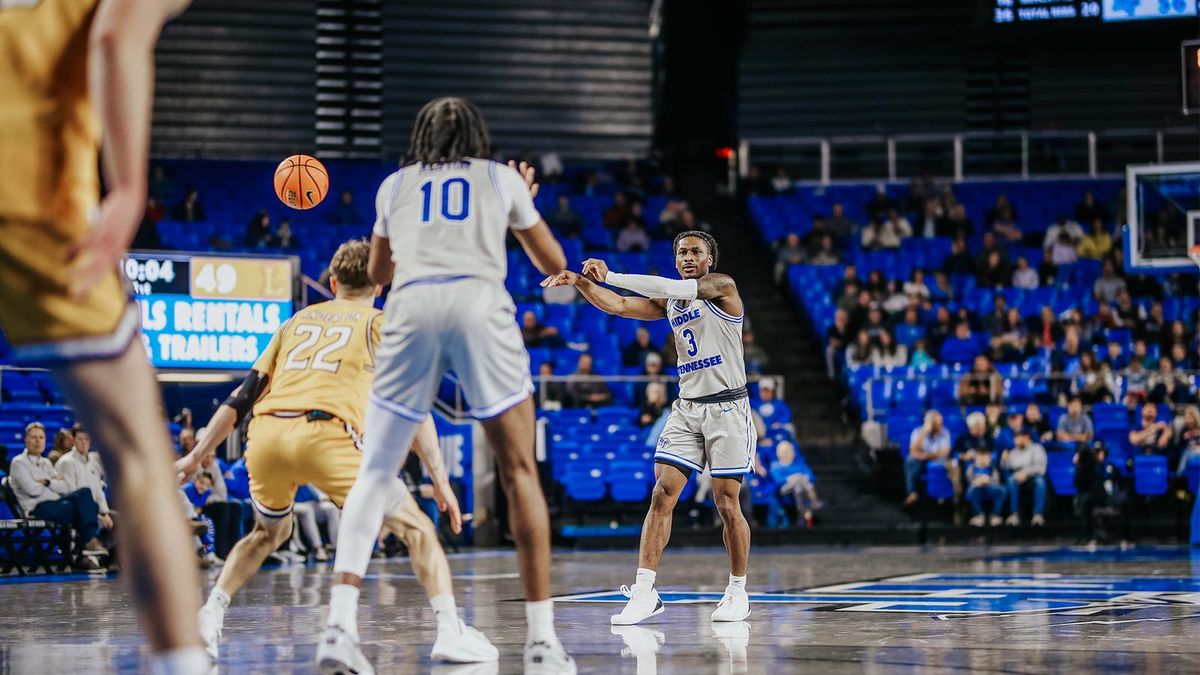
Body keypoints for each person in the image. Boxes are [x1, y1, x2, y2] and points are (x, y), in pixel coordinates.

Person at [323, 97, 573, 674]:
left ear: (420, 137)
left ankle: (338, 626)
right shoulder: (501, 178)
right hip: (479, 301)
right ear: (478, 135)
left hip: (413, 304)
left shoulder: (395, 185)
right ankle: (540, 642)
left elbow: (380, 274)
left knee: (376, 472)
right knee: (518, 472)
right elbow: (552, 263)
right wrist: (520, 206)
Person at [0, 0, 211, 670]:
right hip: (24, 166)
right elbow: (119, 33)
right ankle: (178, 659)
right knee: (141, 457)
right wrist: (126, 189)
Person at [173, 240, 498, 667]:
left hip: (266, 435)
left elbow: (242, 396)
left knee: (268, 534)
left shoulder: (294, 323)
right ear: (381, 283)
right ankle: (449, 630)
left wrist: (196, 456)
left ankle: (209, 615)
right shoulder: (382, 324)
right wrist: (439, 480)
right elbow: (416, 409)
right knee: (418, 530)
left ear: (332, 282)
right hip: (329, 434)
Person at [543, 229, 757, 627]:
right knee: (662, 492)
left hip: (728, 407)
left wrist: (612, 274)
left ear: (709, 259)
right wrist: (581, 282)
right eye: (680, 252)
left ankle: (737, 590)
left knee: (727, 503)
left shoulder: (722, 286)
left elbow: (644, 288)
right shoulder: (672, 300)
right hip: (688, 407)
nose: (687, 256)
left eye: (695, 251)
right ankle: (644, 592)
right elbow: (621, 306)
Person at [8, 422, 106, 566]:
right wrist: (52, 483)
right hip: (37, 508)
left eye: (41, 437)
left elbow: (65, 487)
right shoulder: (18, 463)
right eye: (34, 437)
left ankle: (86, 547)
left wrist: (45, 482)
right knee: (84, 508)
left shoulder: (46, 463)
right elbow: (31, 490)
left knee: (85, 493)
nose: (37, 441)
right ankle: (88, 544)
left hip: (56, 504)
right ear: (26, 440)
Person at [55, 425, 115, 537]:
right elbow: (71, 494)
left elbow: (98, 491)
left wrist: (104, 513)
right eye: (80, 439)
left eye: (86, 439)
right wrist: (96, 516)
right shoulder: (66, 462)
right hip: (75, 511)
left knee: (122, 522)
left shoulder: (94, 462)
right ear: (73, 440)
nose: (83, 443)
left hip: (93, 510)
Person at [903, 410, 953, 507]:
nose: (939, 426)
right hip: (923, 460)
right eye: (937, 424)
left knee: (939, 464)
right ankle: (912, 493)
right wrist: (924, 433)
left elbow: (945, 452)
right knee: (910, 461)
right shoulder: (918, 432)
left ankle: (942, 494)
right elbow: (913, 451)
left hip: (939, 460)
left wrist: (925, 455)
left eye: (940, 423)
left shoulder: (944, 432)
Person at [1002, 430, 1048, 526]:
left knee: (1040, 482)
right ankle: (1014, 514)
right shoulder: (1013, 452)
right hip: (1017, 477)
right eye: (1017, 437)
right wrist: (1004, 459)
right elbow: (1006, 468)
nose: (1020, 440)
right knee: (1011, 481)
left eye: (1023, 437)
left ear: (1028, 438)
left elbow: (1041, 468)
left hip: (1033, 476)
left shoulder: (1037, 448)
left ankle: (1038, 515)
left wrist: (1025, 473)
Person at [965, 450, 1005, 527]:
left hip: (989, 489)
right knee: (971, 491)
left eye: (985, 458)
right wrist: (978, 481)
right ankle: (978, 515)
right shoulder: (972, 468)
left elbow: (996, 481)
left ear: (989, 459)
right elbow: (969, 480)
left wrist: (987, 480)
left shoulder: (993, 469)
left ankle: (995, 515)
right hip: (976, 490)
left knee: (1001, 490)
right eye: (980, 458)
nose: (982, 460)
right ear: (976, 458)